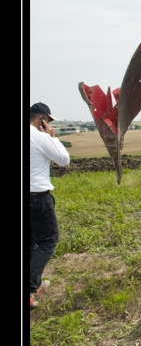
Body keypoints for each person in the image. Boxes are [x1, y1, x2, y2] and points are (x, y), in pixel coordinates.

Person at [29, 103, 70, 310]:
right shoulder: (40, 137)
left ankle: (32, 285)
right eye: (47, 122)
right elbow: (64, 160)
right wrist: (52, 138)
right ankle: (28, 290)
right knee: (47, 242)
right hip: (36, 198)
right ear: (42, 119)